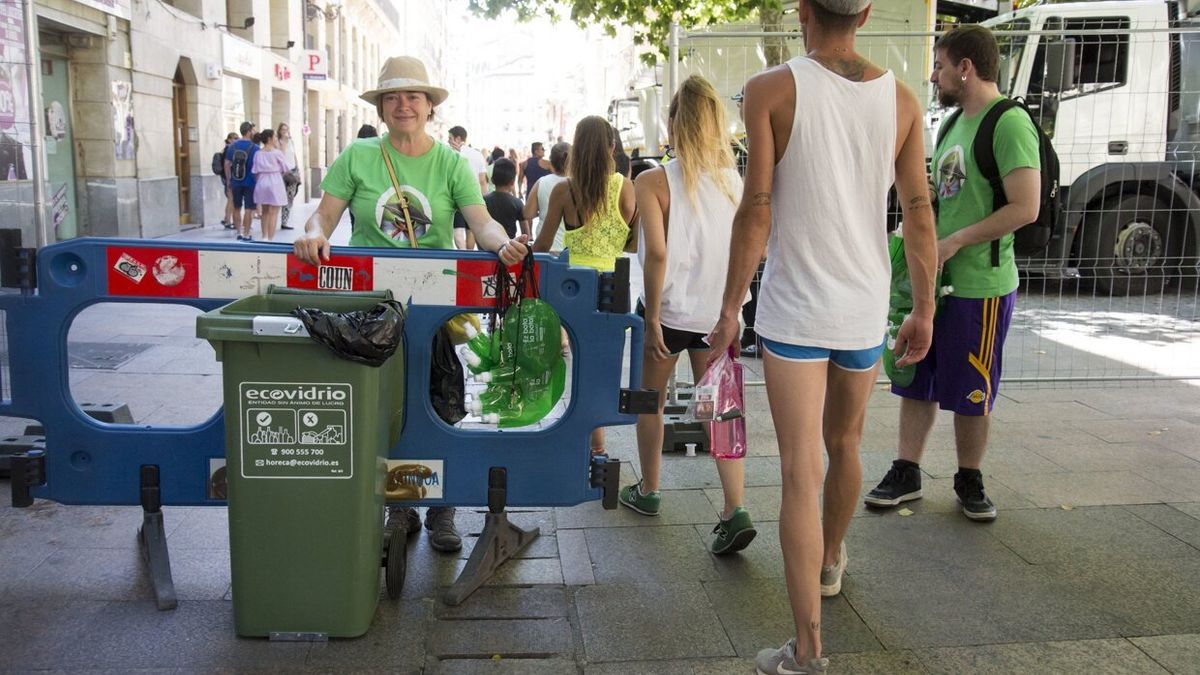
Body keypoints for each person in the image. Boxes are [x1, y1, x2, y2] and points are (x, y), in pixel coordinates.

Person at [703, 1, 938, 672]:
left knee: (800, 472)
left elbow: (756, 206)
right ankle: (831, 558)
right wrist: (921, 307)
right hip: (864, 304)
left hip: (796, 310)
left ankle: (807, 651)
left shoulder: (771, 89)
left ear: (802, 8)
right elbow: (918, 210)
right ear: (864, 13)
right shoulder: (901, 99)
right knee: (846, 444)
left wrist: (728, 306)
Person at [292, 56, 530, 553]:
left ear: (429, 108)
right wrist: (311, 235)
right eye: (393, 97)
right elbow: (324, 217)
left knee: (442, 400)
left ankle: (441, 509)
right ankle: (400, 508)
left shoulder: (450, 162)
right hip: (372, 309)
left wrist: (501, 242)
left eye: (413, 97)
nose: (403, 105)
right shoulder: (358, 156)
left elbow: (480, 222)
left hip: (435, 307)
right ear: (381, 107)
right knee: (385, 406)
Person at [865, 25, 1041, 522]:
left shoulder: (1007, 123)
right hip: (934, 281)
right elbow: (944, 199)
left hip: (979, 288)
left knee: (971, 388)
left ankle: (969, 477)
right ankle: (907, 470)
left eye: (940, 65)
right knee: (916, 375)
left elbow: (1025, 207)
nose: (933, 75)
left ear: (965, 67)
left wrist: (956, 241)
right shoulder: (950, 124)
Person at [617, 75, 755, 555]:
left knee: (650, 402)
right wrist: (733, 309)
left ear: (674, 123)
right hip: (718, 316)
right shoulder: (735, 182)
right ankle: (734, 507)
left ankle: (649, 490)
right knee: (722, 408)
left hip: (669, 311)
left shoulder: (653, 181)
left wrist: (651, 317)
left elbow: (655, 254)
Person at [533, 116, 635, 455]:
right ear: (612, 147)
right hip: (614, 289)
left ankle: (589, 440)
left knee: (580, 364)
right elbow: (633, 243)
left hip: (574, 290)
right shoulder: (624, 187)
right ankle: (598, 444)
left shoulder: (565, 190)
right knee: (603, 368)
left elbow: (542, 244)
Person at [523, 141, 569, 252]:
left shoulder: (541, 182)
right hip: (570, 249)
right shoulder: (579, 184)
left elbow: (528, 213)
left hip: (544, 247)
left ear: (551, 162)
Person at [448, 126, 487, 249]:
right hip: (475, 198)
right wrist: (484, 200)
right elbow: (482, 181)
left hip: (456, 197)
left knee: (458, 233)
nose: (448, 141)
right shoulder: (478, 154)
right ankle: (469, 256)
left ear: (458, 138)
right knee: (471, 231)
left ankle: (462, 254)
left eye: (450, 138)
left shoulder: (451, 153)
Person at [250, 128, 289, 242]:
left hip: (262, 181)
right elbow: (285, 168)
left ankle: (264, 236)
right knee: (274, 212)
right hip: (275, 180)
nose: (276, 139)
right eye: (274, 137)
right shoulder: (277, 153)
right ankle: (271, 238)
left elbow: (255, 170)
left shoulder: (258, 153)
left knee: (265, 211)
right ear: (270, 139)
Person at [224, 121, 258, 241]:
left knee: (236, 207)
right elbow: (257, 166)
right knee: (249, 208)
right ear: (249, 132)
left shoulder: (232, 146)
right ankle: (247, 233)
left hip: (236, 181)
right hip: (250, 182)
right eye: (252, 130)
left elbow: (227, 163)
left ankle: (238, 232)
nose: (254, 132)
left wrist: (229, 180)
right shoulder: (255, 148)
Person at [483, 158, 529, 238]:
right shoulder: (517, 203)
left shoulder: (483, 201)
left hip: (486, 247)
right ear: (512, 181)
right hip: (508, 246)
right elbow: (525, 233)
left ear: (492, 180)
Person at [277, 123, 301, 231]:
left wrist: (298, 168)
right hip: (282, 172)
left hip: (292, 171)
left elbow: (294, 155)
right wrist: (284, 143)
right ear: (279, 131)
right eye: (283, 129)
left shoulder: (291, 141)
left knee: (290, 197)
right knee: (279, 196)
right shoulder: (278, 142)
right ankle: (274, 219)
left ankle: (284, 221)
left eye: (286, 129)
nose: (285, 131)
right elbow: (280, 156)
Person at [217, 132, 238, 229]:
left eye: (237, 138)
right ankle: (228, 221)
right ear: (229, 139)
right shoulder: (229, 150)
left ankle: (226, 219)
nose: (236, 140)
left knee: (230, 199)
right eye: (234, 138)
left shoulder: (227, 149)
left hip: (227, 177)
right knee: (231, 199)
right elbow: (227, 164)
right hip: (228, 178)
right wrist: (229, 179)